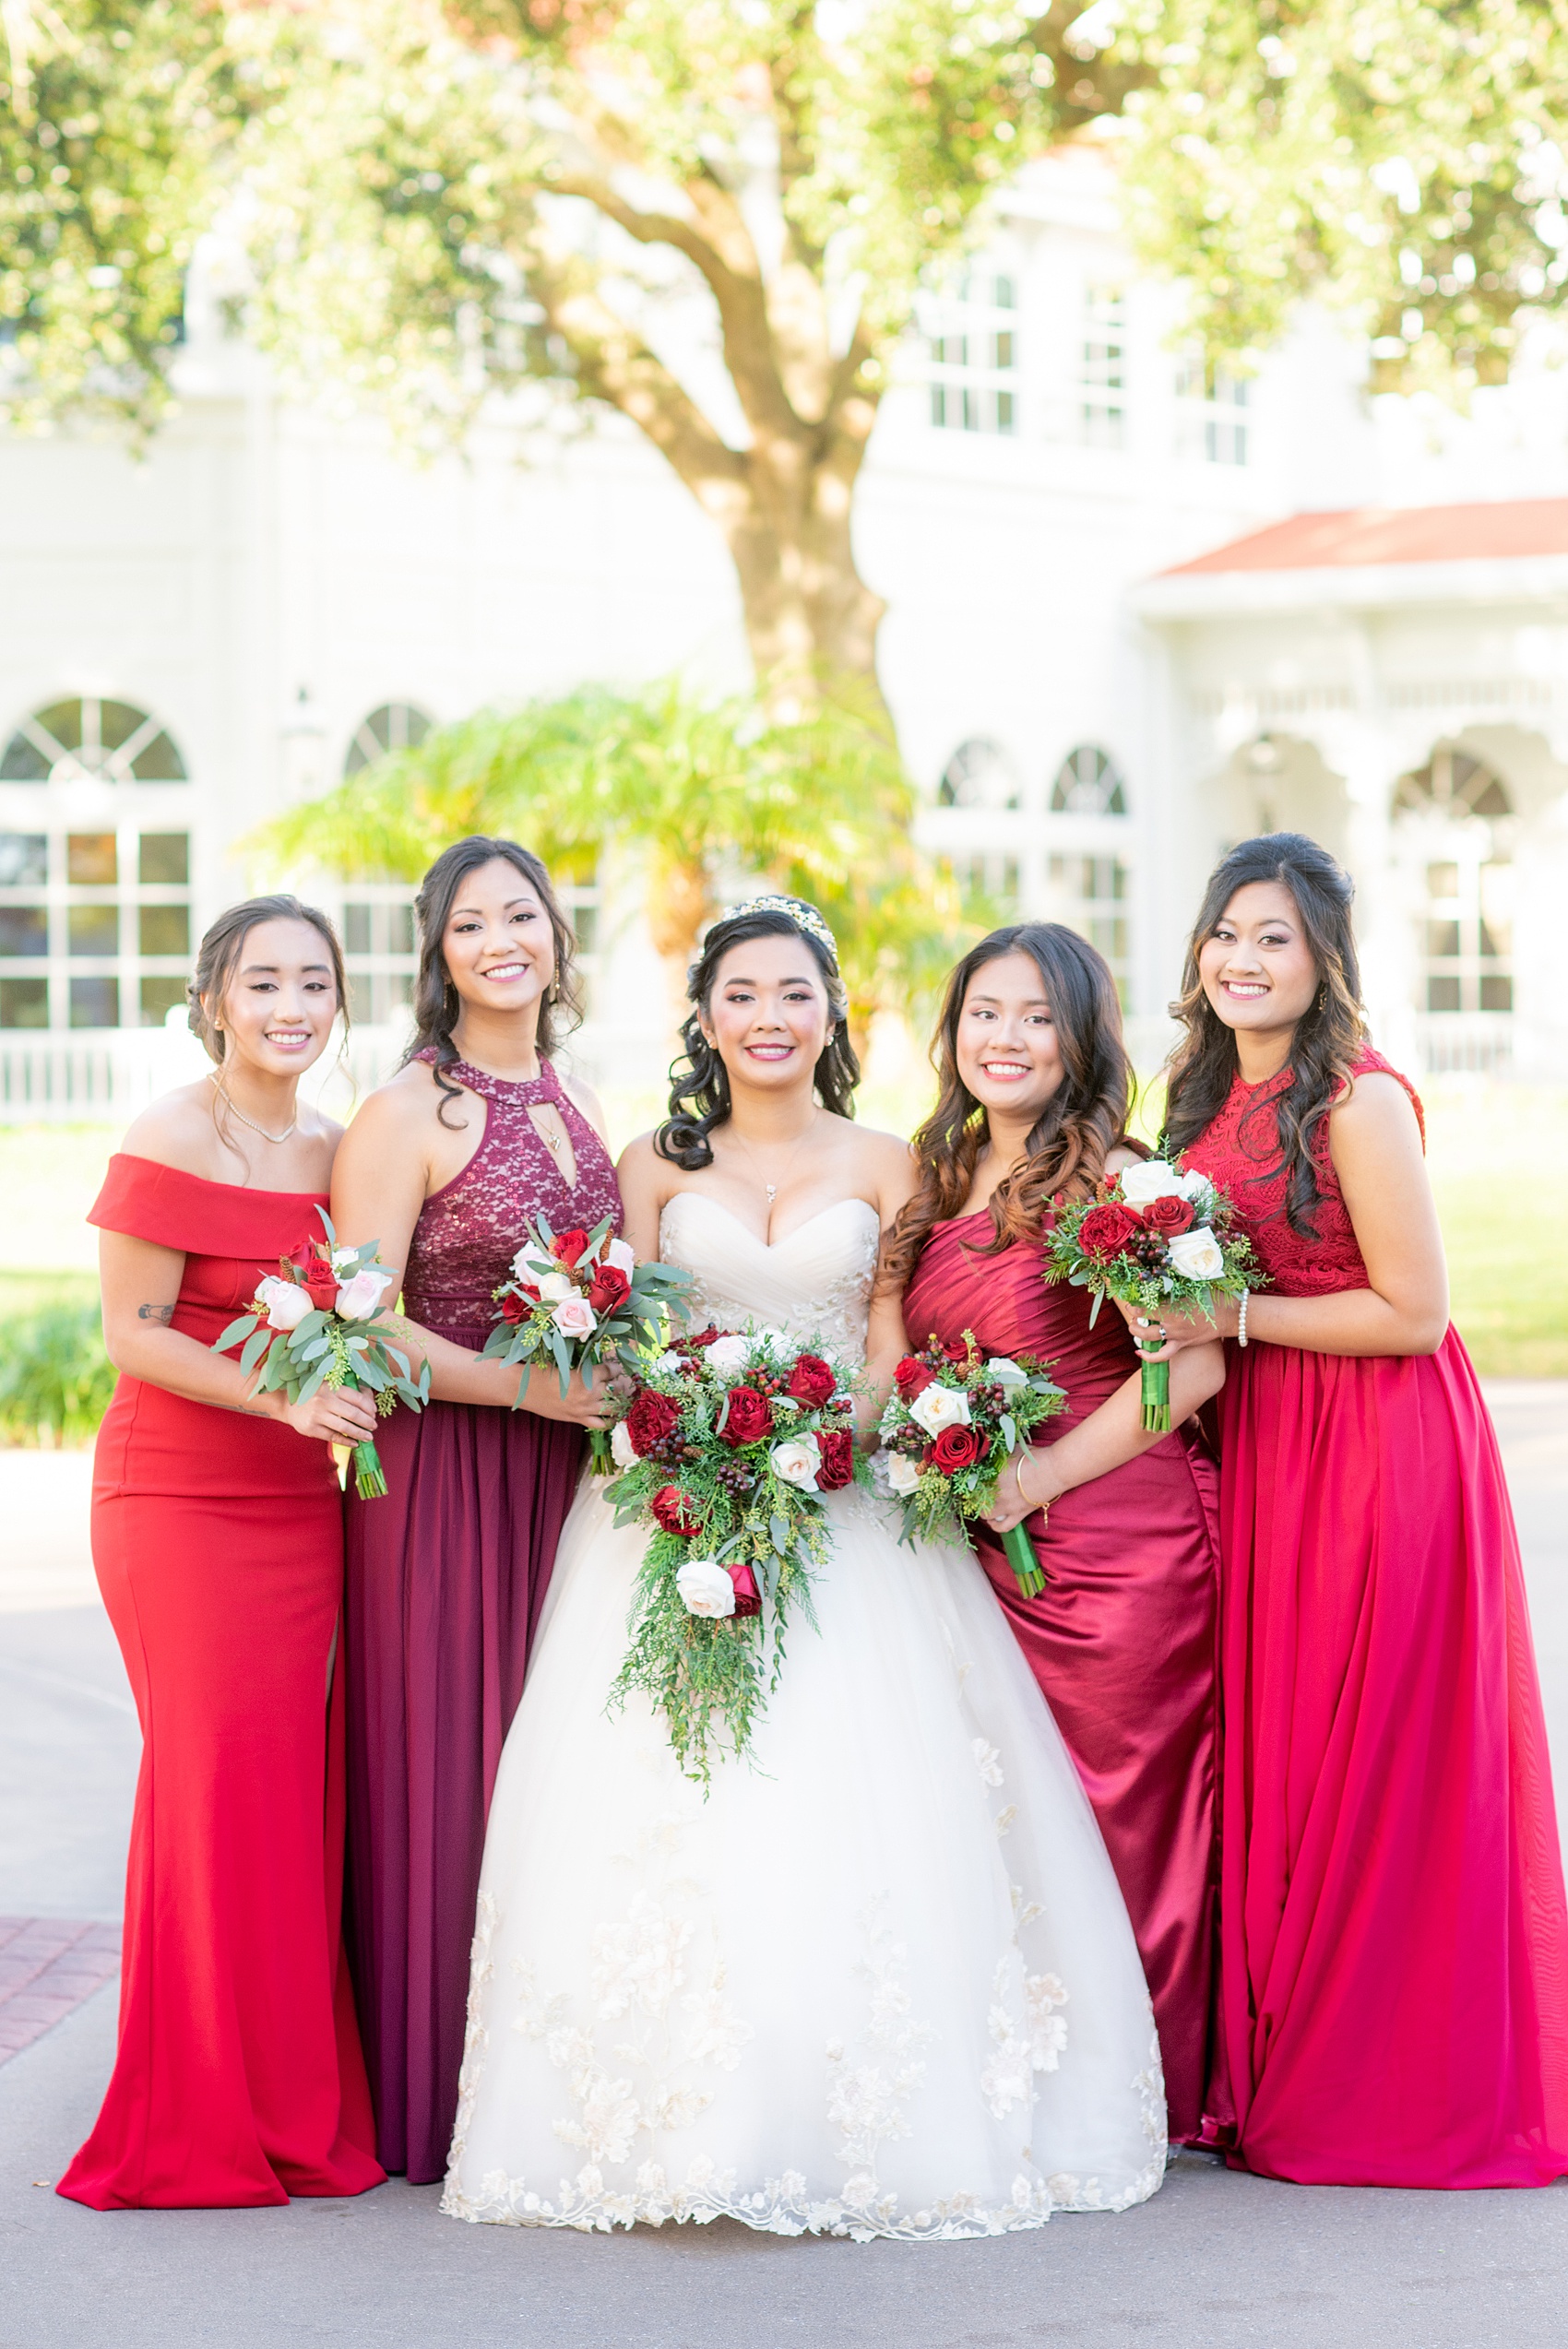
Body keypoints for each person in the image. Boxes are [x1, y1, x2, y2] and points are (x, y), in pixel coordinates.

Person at [441, 896, 1166, 2241]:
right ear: (705, 1020)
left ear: (834, 1018)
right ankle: (670, 2116)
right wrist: (690, 1428)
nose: (768, 1019)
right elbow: (629, 1337)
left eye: (794, 996)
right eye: (742, 996)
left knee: (859, 1793)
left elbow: (892, 1338)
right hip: (665, 1508)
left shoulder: (894, 1161)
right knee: (668, 1791)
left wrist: (838, 1431)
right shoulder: (650, 1168)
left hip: (844, 1505)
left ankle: (862, 2105)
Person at [1142, 831, 1568, 2189]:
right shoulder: (1203, 1099)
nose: (1242, 959)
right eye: (1226, 932)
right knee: (1290, 1753)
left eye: (1274, 937)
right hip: (1272, 1447)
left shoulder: (1358, 1101)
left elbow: (1415, 1311)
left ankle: (1388, 2082)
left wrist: (1231, 1310)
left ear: (1324, 959)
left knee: (1374, 1752)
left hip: (1380, 1451)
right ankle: (1281, 2058)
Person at [58, 896, 384, 2211]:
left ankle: (289, 2110)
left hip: (305, 1508)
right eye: (265, 982)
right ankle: (188, 2119)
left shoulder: (334, 1145)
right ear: (214, 1000)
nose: (291, 1006)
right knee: (207, 1793)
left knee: (283, 1802)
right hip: (178, 1500)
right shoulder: (168, 1132)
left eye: (315, 982)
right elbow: (135, 1332)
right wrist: (285, 1399)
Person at [891, 923, 1227, 2146]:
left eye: (1038, 1016)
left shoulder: (1120, 1184)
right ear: (954, 1031)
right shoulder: (935, 1177)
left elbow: (1187, 1377)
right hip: (983, 1544)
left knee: (1121, 1809)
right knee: (1010, 1812)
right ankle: (1046, 2076)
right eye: (986, 1011)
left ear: (1080, 1037)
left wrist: (1037, 1480)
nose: (1008, 1039)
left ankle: (1151, 2091)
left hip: (1122, 1544)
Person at [330, 836, 618, 2184]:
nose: (502, 938)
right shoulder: (411, 1111)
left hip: (562, 1482)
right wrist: (524, 1392)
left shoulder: (577, 1099)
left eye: (523, 915)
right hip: (443, 1475)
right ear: (437, 955)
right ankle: (432, 2093)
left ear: (556, 938)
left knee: (540, 1773)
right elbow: (363, 1321)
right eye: (469, 922)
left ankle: (537, 2074)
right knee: (449, 1765)